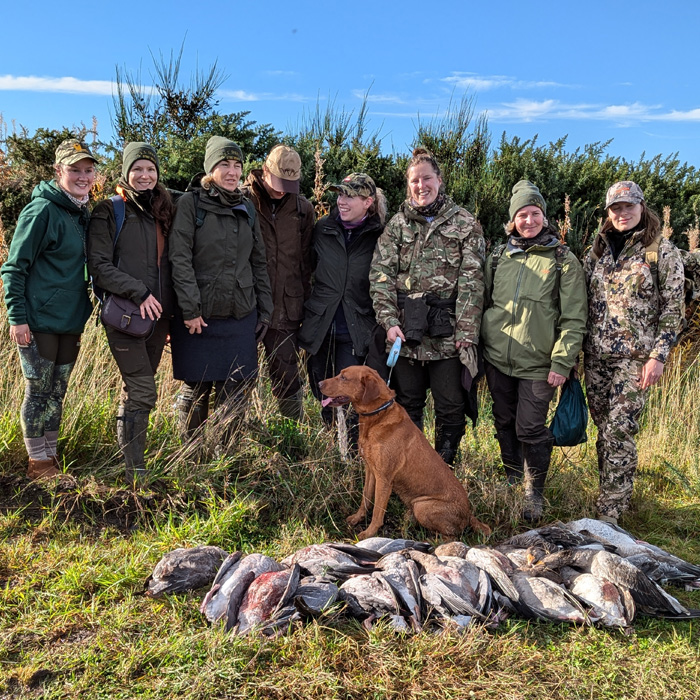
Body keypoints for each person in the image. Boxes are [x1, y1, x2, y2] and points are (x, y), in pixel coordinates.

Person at [369, 148, 484, 466]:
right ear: (408, 185)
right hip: (406, 332)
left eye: (427, 178)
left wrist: (466, 331)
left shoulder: (465, 224)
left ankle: (445, 468)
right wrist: (389, 322)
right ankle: (412, 467)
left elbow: (472, 282)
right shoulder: (396, 226)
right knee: (407, 404)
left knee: (450, 405)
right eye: (414, 180)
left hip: (447, 333)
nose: (421, 186)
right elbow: (381, 279)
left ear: (439, 180)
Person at [481, 180, 587, 521]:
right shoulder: (498, 257)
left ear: (545, 216)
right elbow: (483, 303)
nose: (529, 220)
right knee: (503, 420)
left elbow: (574, 317)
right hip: (497, 358)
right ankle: (512, 479)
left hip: (540, 364)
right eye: (523, 214)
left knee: (529, 427)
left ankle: (533, 494)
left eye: (536, 213)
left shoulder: (563, 260)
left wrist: (562, 360)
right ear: (513, 219)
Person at [584, 180, 684, 525]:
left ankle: (609, 517)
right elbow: (581, 304)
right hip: (597, 358)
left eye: (629, 206)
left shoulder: (661, 251)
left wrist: (658, 356)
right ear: (608, 213)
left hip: (636, 359)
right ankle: (613, 497)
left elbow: (674, 309)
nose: (622, 213)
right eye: (616, 208)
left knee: (619, 430)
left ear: (642, 207)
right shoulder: (596, 252)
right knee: (604, 430)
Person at [1, 138, 96, 479]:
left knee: (58, 390)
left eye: (88, 170)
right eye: (74, 170)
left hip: (70, 320)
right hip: (38, 319)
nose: (83, 177)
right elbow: (13, 267)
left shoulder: (83, 212)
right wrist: (17, 318)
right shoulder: (42, 210)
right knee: (38, 391)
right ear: (58, 171)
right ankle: (36, 463)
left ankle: (50, 458)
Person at [168, 136, 273, 443]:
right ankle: (192, 455)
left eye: (237, 165)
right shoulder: (190, 204)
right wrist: (189, 309)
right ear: (210, 169)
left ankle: (223, 459)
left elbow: (258, 261)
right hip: (200, 315)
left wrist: (264, 310)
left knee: (238, 387)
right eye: (224, 164)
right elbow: (179, 257)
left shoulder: (247, 207)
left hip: (240, 312)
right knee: (196, 387)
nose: (232, 171)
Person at [87, 142, 174, 483]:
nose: (144, 175)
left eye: (150, 169)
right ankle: (135, 473)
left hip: (158, 318)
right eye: (137, 169)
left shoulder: (163, 209)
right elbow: (99, 266)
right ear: (126, 172)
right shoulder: (109, 211)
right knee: (143, 391)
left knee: (137, 389)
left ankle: (132, 461)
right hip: (125, 315)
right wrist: (139, 292)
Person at [299, 173, 387, 438]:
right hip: (321, 327)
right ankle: (330, 449)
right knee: (322, 390)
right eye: (340, 195)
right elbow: (306, 268)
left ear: (368, 201)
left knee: (348, 396)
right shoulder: (322, 228)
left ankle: (351, 450)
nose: (342, 201)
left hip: (355, 328)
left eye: (350, 196)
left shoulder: (381, 235)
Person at [241, 145, 314, 421]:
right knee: (238, 376)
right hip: (247, 304)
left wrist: (306, 308)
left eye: (290, 184)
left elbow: (306, 263)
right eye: (280, 182)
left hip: (287, 307)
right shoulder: (242, 200)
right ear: (265, 171)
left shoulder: (303, 209)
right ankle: (234, 436)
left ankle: (291, 437)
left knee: (287, 377)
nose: (284, 190)